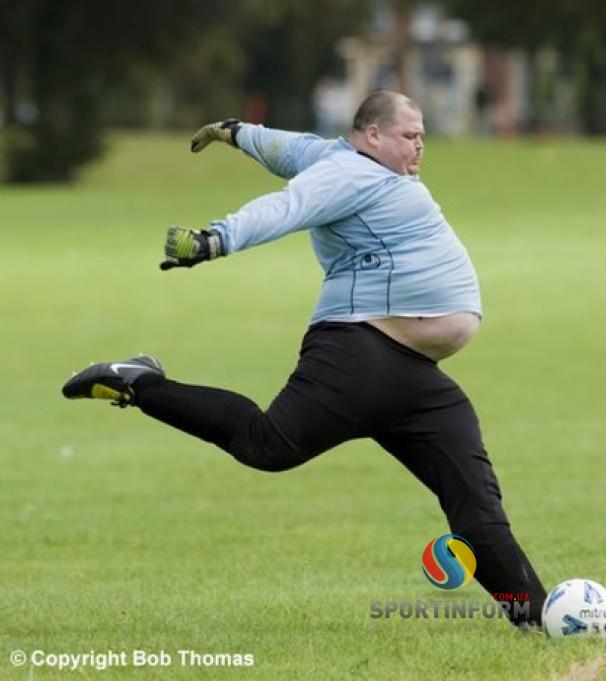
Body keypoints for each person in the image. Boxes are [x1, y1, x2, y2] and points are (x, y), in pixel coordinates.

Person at [62, 90, 546, 627]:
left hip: (414, 379)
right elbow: (286, 207)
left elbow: (291, 148)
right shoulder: (350, 175)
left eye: (422, 136)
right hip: (360, 354)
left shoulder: (342, 160)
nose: (420, 146)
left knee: (476, 506)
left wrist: (238, 133)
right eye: (410, 135)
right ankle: (138, 383)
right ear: (373, 135)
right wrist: (215, 239)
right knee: (266, 444)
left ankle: (536, 615)